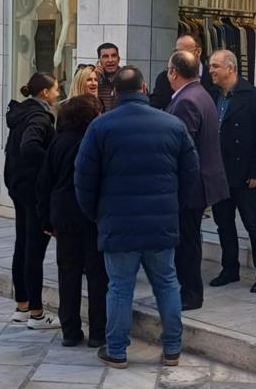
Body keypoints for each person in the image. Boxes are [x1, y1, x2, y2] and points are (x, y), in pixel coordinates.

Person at [75, 66, 199, 369]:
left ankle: (117, 350)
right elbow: (191, 173)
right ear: (144, 89)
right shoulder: (172, 125)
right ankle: (173, 349)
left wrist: (95, 214)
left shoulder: (101, 126)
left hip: (118, 224)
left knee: (119, 287)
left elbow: (83, 177)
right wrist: (174, 206)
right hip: (161, 224)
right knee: (167, 284)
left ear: (116, 92)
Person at [37, 94, 108, 348]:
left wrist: (45, 219)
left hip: (64, 214)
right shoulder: (94, 141)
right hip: (91, 215)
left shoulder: (58, 142)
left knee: (68, 272)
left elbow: (44, 182)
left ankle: (70, 330)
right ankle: (98, 332)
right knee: (97, 274)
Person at [165, 50, 230, 311]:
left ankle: (190, 294)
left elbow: (183, 149)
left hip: (191, 186)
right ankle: (190, 291)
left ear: (173, 72)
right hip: (201, 181)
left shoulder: (186, 101)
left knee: (186, 242)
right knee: (190, 239)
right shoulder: (200, 93)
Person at [207, 50, 256, 293]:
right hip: (219, 173)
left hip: (245, 174)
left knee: (253, 223)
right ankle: (230, 269)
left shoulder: (253, 96)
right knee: (223, 224)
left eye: (215, 66)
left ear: (230, 68)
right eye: (210, 66)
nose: (211, 70)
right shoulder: (212, 95)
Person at [3, 72, 61, 329]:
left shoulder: (22, 112)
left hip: (18, 187)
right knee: (34, 250)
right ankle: (37, 314)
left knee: (23, 245)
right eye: (56, 89)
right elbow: (29, 146)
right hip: (33, 191)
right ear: (45, 93)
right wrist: (51, 163)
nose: (58, 93)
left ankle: (22, 306)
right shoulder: (39, 117)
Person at [150, 35, 215, 110]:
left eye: (183, 52)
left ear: (198, 52)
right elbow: (153, 107)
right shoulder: (165, 77)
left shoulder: (212, 76)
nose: (178, 56)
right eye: (176, 52)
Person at [93, 43, 121, 112]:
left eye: (113, 56)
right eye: (105, 57)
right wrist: (96, 79)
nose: (110, 60)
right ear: (99, 61)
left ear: (118, 59)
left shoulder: (127, 79)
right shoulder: (92, 80)